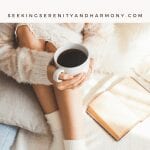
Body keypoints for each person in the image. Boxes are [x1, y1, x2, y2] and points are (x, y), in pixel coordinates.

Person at [0, 23, 103, 150]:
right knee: (26, 30)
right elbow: (2, 51)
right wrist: (42, 68)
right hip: (32, 54)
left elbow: (100, 34)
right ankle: (59, 132)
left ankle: (74, 143)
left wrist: (89, 61)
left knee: (63, 50)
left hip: (72, 51)